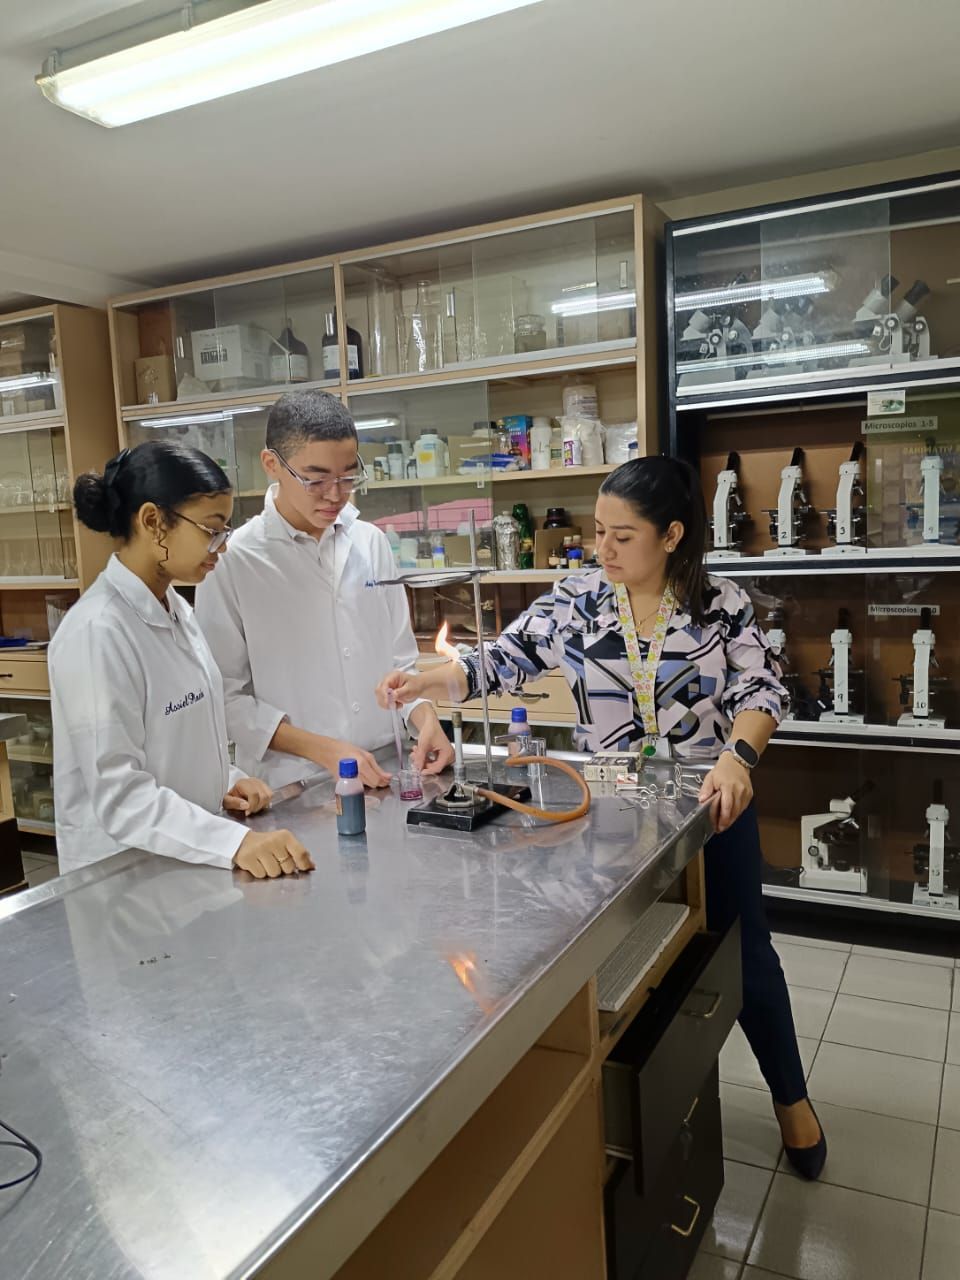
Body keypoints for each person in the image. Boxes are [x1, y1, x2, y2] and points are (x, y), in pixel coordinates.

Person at [377, 454, 827, 1179]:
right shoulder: (578, 599)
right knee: (621, 960)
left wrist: (738, 758)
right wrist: (436, 676)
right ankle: (631, 1113)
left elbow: (763, 690)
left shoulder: (720, 603)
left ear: (673, 534)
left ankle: (792, 1100)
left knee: (745, 955)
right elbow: (505, 658)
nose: (603, 549)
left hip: (708, 801)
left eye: (623, 535)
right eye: (599, 532)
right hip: (614, 810)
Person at [50, 442, 313, 882]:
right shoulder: (97, 633)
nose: (222, 546)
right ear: (153, 521)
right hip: (124, 882)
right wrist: (236, 842)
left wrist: (224, 778)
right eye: (212, 529)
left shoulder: (175, 610)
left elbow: (174, 736)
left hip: (184, 863)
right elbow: (121, 796)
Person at [194, 390, 454, 791]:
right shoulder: (232, 560)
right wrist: (325, 750)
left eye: (348, 477)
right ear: (272, 465)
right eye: (316, 479)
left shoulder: (371, 543)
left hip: (389, 765)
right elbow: (225, 699)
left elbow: (401, 663)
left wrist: (425, 719)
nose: (335, 494)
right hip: (296, 782)